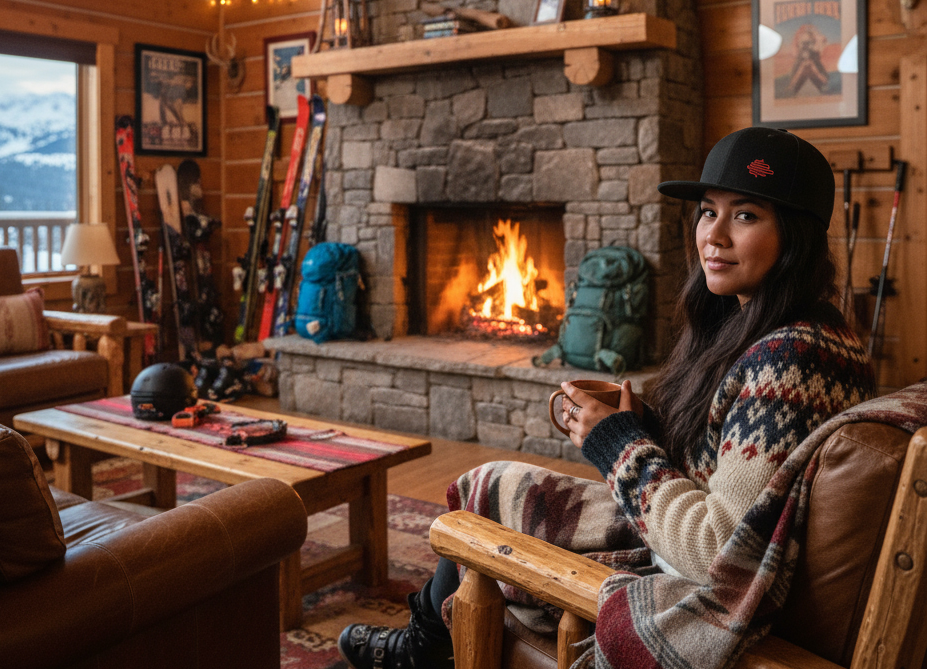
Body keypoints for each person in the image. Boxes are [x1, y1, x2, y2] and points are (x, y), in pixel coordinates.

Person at [337, 126, 876, 669]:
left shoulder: (792, 358)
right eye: (708, 211)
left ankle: (423, 650)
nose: (714, 236)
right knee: (491, 484)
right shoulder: (784, 330)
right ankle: (427, 641)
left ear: (798, 236)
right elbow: (731, 465)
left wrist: (618, 445)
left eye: (746, 215)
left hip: (695, 581)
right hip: (686, 542)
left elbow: (718, 551)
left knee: (486, 494)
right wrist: (646, 427)